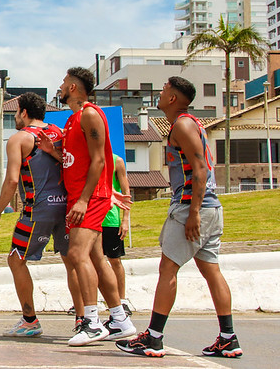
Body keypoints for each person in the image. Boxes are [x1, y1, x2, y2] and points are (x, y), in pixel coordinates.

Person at [116, 77, 242, 358]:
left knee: (167, 269)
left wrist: (193, 213)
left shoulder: (183, 125)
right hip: (210, 207)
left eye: (163, 91)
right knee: (211, 270)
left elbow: (200, 170)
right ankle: (228, 337)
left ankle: (153, 337)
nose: (159, 95)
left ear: (172, 98)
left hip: (192, 207)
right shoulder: (191, 124)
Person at [39, 67, 135, 346]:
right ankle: (119, 319)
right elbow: (74, 160)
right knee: (95, 258)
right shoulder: (73, 120)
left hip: (88, 197)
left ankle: (91, 322)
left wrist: (85, 199)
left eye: (64, 81)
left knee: (77, 255)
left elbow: (99, 161)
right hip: (82, 196)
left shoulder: (91, 114)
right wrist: (51, 151)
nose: (60, 84)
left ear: (72, 88)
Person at [0, 92, 84, 338]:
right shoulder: (59, 133)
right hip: (66, 207)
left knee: (15, 258)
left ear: (24, 112)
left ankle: (30, 321)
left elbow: (11, 180)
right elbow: (72, 162)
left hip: (37, 209)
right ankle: (84, 320)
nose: (15, 118)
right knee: (71, 261)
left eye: (16, 112)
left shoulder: (19, 139)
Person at [102, 153, 132, 316]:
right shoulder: (87, 157)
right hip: (90, 219)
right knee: (90, 262)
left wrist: (125, 219)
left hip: (111, 219)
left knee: (115, 260)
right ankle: (89, 301)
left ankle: (122, 300)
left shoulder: (117, 160)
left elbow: (126, 191)